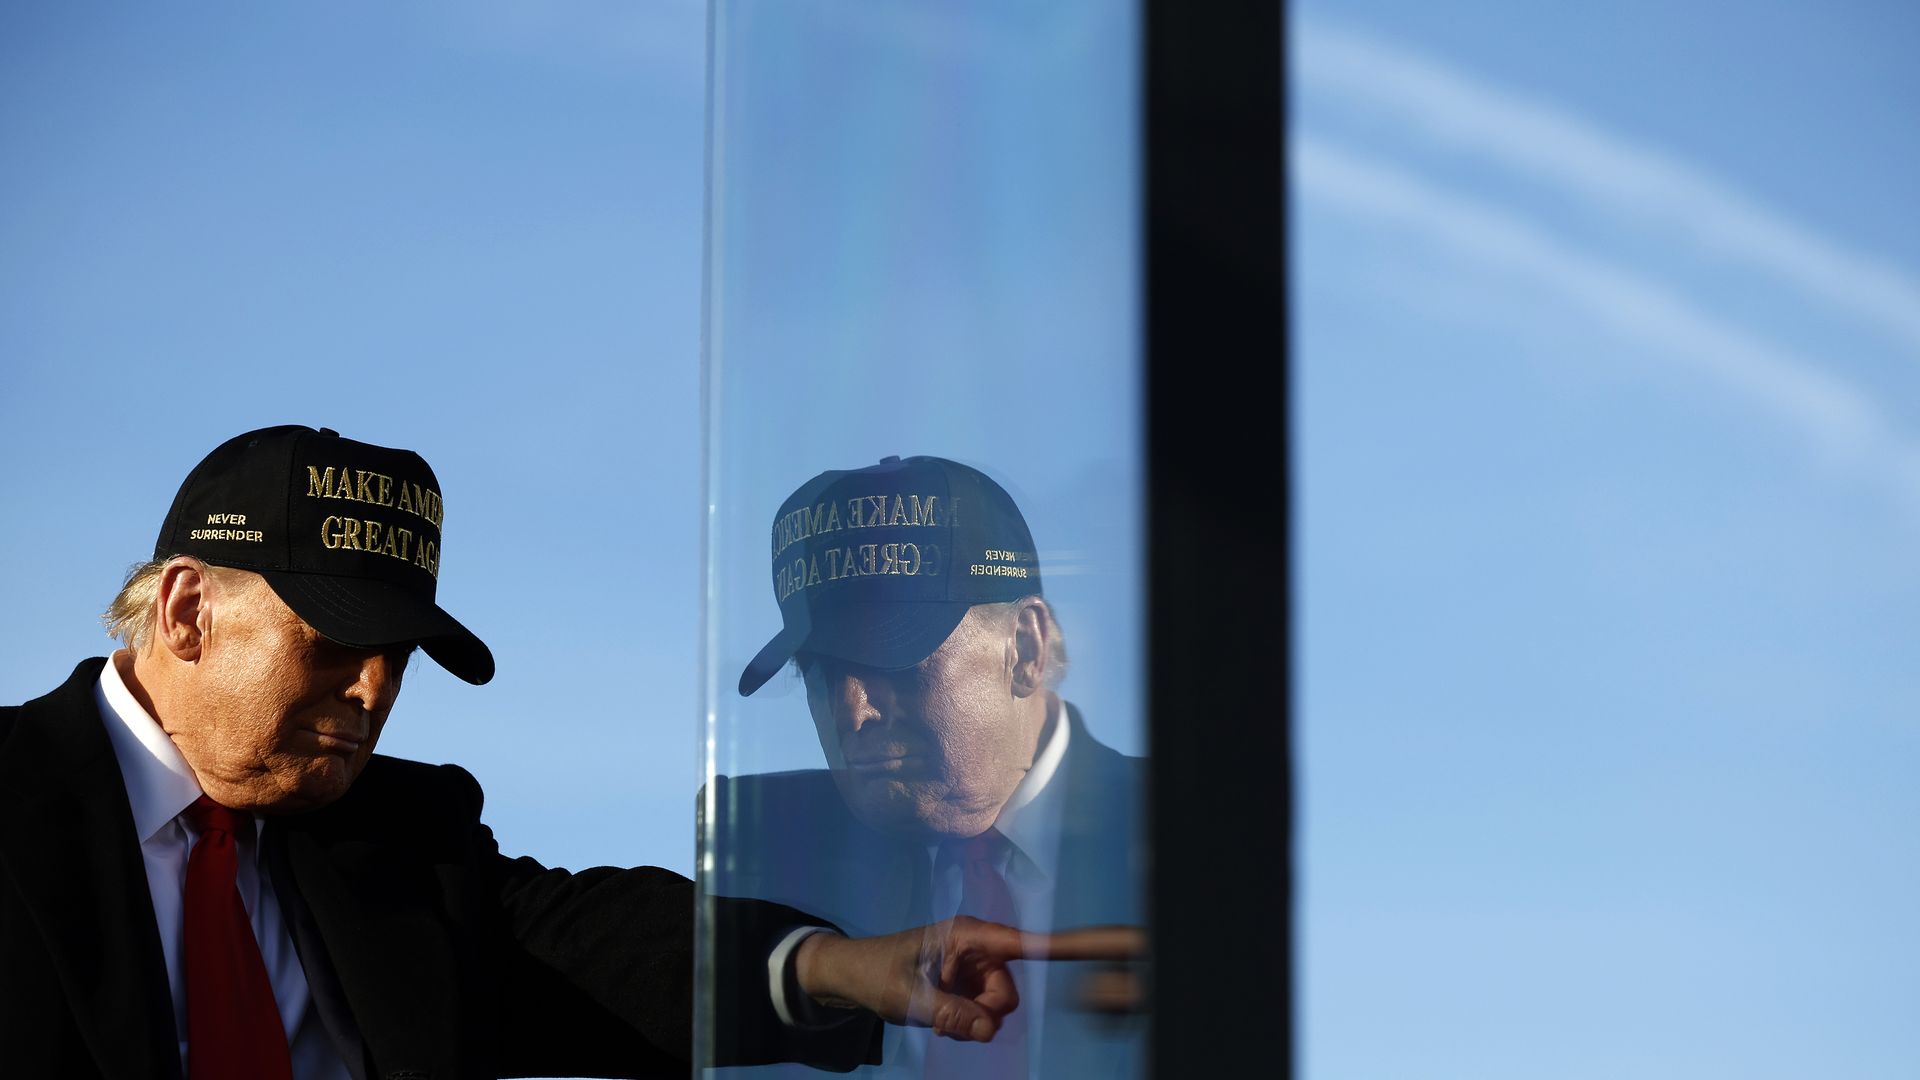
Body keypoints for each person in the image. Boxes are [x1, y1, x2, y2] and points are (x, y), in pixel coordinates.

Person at [0, 426, 1067, 1080]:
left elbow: (608, 948)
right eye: (332, 643)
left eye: (399, 657)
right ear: (186, 612)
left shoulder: (403, 844)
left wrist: (846, 967)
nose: (373, 690)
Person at [716, 454, 1147, 1077]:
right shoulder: (763, 856)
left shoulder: (1194, 835)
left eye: (892, 660)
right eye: (821, 672)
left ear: (1025, 648)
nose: (852, 712)